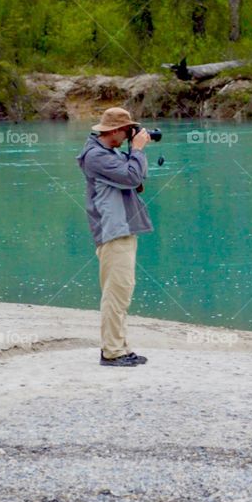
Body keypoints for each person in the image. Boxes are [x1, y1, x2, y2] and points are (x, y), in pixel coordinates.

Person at [77, 106, 154, 367]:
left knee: (123, 291)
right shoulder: (96, 157)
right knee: (115, 293)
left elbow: (136, 178)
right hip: (112, 231)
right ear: (114, 131)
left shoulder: (110, 153)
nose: (129, 135)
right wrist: (138, 150)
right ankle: (111, 352)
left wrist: (133, 154)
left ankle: (121, 347)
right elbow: (132, 176)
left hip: (123, 228)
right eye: (127, 130)